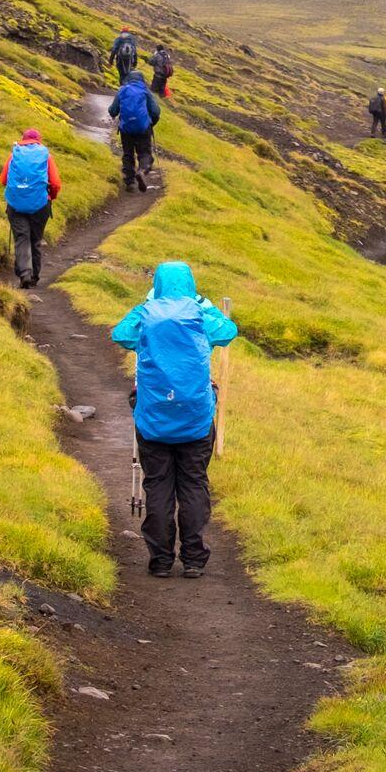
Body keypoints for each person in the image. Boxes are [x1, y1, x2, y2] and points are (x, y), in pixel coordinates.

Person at [111, 262, 239, 577]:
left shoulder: (146, 314)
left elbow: (121, 334)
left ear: (157, 284)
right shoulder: (200, 315)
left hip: (153, 418)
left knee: (158, 485)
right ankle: (193, 559)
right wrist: (204, 305)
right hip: (196, 419)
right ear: (190, 284)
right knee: (193, 483)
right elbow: (228, 331)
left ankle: (161, 560)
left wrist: (145, 306)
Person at [0, 128, 62, 288]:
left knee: (22, 238)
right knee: (35, 239)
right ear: (39, 140)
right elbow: (55, 183)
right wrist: (50, 197)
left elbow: (3, 179)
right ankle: (34, 276)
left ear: (23, 139)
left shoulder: (14, 155)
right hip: (40, 204)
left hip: (16, 204)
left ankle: (24, 273)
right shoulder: (46, 156)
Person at [111, 68, 161, 191]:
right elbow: (155, 111)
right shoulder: (145, 90)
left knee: (128, 154)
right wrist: (151, 123)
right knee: (144, 153)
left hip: (126, 128)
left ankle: (130, 183)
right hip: (143, 127)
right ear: (141, 80)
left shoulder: (122, 90)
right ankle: (142, 171)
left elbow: (112, 110)